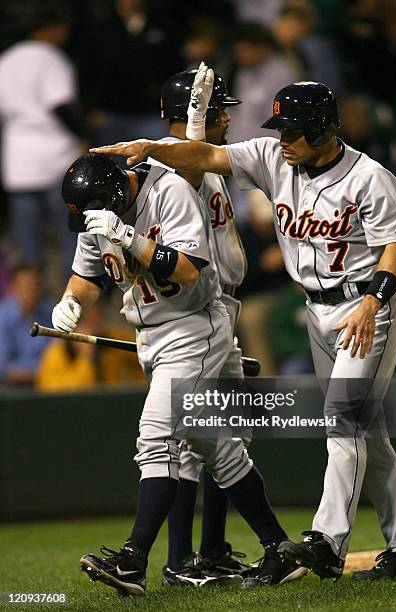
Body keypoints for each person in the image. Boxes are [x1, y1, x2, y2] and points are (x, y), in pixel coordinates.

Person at [91, 78, 396, 580]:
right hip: (316, 311)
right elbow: (204, 158)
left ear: (321, 129)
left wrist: (375, 299)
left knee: (343, 421)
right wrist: (154, 147)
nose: (281, 139)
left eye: (292, 131)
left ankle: (327, 541)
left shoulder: (369, 177)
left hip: (364, 310)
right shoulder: (273, 158)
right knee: (367, 435)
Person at [54, 152, 306, 595]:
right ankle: (278, 548)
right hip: (149, 337)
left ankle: (134, 560)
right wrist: (72, 302)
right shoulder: (100, 210)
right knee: (218, 449)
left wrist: (129, 238)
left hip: (193, 327)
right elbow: (88, 276)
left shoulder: (168, 190)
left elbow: (190, 271)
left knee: (155, 438)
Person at [158, 67, 252, 586]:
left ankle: (212, 549)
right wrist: (195, 127)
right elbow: (183, 172)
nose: (229, 116)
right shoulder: (174, 167)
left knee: (229, 434)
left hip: (222, 313)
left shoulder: (209, 162)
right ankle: (180, 561)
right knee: (192, 441)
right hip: (196, 315)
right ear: (195, 113)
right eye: (222, 109)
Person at [0, 1, 84, 280]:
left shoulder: (8, 58)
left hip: (18, 158)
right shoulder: (50, 57)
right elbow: (59, 106)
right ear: (50, 29)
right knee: (69, 239)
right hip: (54, 156)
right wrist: (82, 135)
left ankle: (28, 314)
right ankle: (70, 307)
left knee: (26, 248)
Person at [0, 264, 52, 385]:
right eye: (26, 287)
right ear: (14, 288)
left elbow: (56, 352)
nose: (31, 291)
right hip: (11, 384)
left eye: (35, 286)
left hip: (46, 380)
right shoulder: (3, 317)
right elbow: (3, 364)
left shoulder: (50, 312)